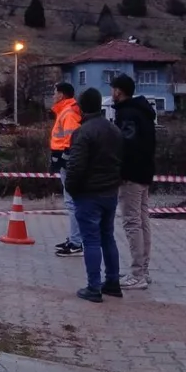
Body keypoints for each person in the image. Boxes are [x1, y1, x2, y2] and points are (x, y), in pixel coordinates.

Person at [64, 88, 123, 303]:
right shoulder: (114, 130)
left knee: (91, 240)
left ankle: (94, 287)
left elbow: (76, 166)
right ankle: (113, 282)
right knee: (108, 236)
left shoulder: (83, 133)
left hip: (89, 194)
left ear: (82, 107)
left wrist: (72, 188)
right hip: (110, 192)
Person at [110, 74, 156, 290]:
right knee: (142, 220)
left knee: (132, 222)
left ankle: (137, 273)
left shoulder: (127, 114)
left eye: (113, 89)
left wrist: (120, 170)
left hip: (131, 175)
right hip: (145, 172)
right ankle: (143, 270)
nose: (111, 93)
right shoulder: (144, 112)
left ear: (119, 91)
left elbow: (126, 146)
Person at [50, 82, 83, 257]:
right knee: (72, 202)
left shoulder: (68, 112)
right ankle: (75, 239)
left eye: (55, 92)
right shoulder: (65, 111)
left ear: (61, 95)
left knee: (72, 203)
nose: (53, 96)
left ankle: (76, 242)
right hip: (65, 161)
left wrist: (62, 159)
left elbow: (71, 140)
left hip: (68, 164)